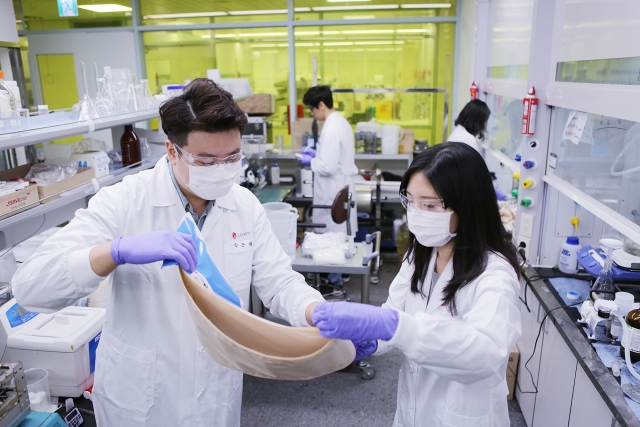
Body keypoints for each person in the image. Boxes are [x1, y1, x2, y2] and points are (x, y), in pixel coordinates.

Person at [12, 79, 324, 427]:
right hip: (142, 399)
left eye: (232, 157)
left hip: (216, 393)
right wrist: (116, 252)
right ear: (172, 151)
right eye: (206, 159)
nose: (222, 168)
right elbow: (30, 287)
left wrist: (316, 311)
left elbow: (279, 282)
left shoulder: (244, 206)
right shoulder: (125, 200)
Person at [312, 142, 522, 427]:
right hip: (412, 409)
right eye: (410, 200)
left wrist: (393, 326)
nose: (416, 212)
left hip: (462, 416)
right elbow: (397, 311)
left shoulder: (494, 275)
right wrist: (372, 339)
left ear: (467, 206)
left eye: (431, 205)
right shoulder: (421, 252)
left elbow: (484, 354)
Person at [299, 85, 358, 288]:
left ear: (322, 105)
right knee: (338, 234)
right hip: (340, 186)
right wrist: (318, 154)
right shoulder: (340, 122)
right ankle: (338, 274)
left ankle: (335, 280)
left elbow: (328, 166)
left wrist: (311, 161)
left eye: (312, 109)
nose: (312, 114)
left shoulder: (331, 128)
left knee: (332, 235)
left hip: (332, 189)